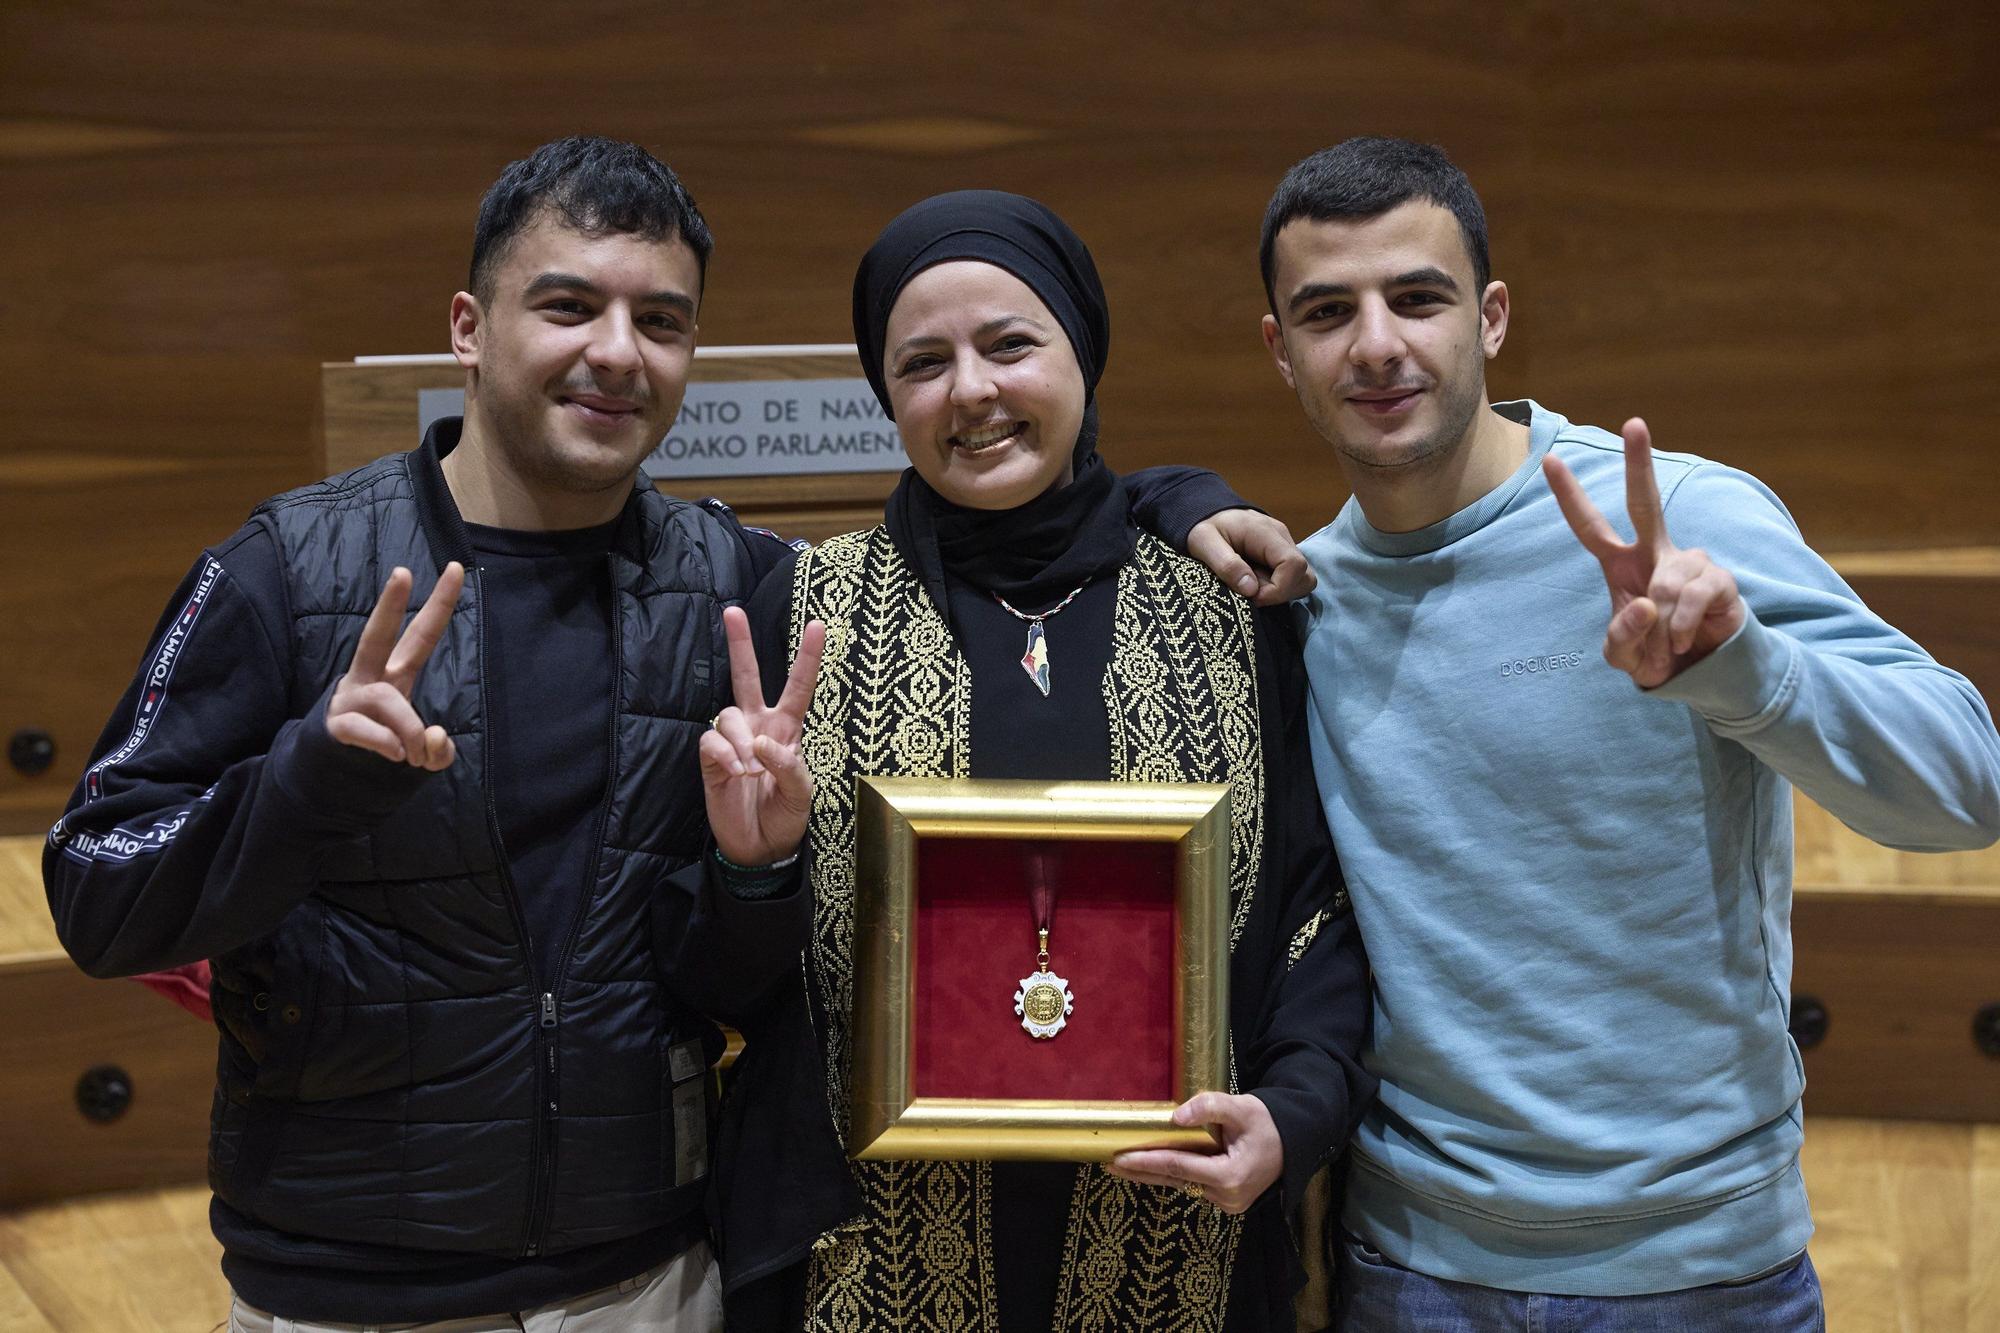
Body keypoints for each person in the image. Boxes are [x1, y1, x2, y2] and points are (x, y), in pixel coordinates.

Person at [43, 137, 1294, 1331]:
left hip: (647, 1276)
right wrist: (303, 783)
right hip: (347, 1285)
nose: (615, 352)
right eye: (568, 306)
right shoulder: (290, 569)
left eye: (661, 321)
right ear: (469, 330)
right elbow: (98, 897)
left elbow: (1002, 510)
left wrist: (1166, 500)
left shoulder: (732, 587)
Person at [1252, 136, 2000, 1329]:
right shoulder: (1305, 602)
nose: (1377, 343)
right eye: (1327, 311)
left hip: (1701, 1273)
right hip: (1410, 1272)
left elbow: (1969, 787)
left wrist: (1739, 668)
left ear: (1490, 318)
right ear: (1278, 349)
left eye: (1419, 297)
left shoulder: (1679, 523)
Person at [706, 190, 1373, 1333]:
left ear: (1083, 352)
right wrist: (754, 871)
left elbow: (1315, 905)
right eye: (921, 363)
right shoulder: (806, 611)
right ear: (887, 398)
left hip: (1179, 1250)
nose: (970, 390)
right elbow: (721, 987)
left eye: (1010, 343)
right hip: (872, 1262)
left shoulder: (1226, 607)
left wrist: (1294, 1107)